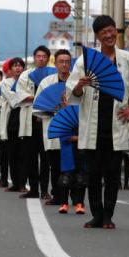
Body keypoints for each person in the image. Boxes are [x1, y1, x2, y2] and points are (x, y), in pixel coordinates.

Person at [69, 15, 129, 229]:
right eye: (103, 33)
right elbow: (72, 93)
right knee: (93, 174)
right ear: (97, 36)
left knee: (112, 174)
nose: (108, 35)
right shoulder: (85, 61)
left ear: (115, 32)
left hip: (116, 124)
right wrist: (80, 85)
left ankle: (108, 215)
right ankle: (96, 214)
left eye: (111, 31)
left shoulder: (127, 59)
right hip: (92, 125)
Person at [38, 50, 80, 213]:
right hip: (55, 128)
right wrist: (54, 111)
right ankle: (58, 195)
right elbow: (38, 107)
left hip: (74, 130)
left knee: (74, 164)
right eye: (61, 61)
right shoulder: (46, 83)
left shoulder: (76, 83)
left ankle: (75, 198)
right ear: (55, 64)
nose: (64, 64)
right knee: (55, 164)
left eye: (67, 61)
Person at [16, 47, 53, 199]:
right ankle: (33, 189)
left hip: (46, 118)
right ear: (34, 58)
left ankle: (45, 190)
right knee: (30, 157)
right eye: (38, 56)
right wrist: (40, 98)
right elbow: (20, 95)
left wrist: (37, 98)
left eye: (44, 56)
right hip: (30, 119)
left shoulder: (53, 75)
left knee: (46, 158)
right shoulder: (26, 75)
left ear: (48, 58)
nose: (41, 59)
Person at [0, 58, 26, 190]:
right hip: (13, 121)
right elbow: (13, 100)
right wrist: (26, 98)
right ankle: (15, 183)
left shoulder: (28, 81)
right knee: (13, 154)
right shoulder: (5, 84)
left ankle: (22, 183)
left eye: (20, 66)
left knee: (24, 155)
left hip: (26, 120)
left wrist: (24, 98)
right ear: (9, 70)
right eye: (15, 66)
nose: (18, 68)